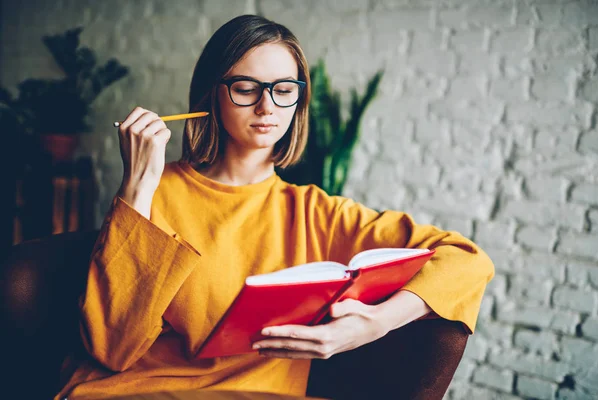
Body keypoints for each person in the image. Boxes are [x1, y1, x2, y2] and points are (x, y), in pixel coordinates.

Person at [56, 14, 494, 400]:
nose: (267, 106)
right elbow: (110, 348)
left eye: (283, 89)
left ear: (299, 99)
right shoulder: (155, 189)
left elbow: (467, 261)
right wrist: (137, 185)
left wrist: (374, 323)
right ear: (213, 94)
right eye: (246, 88)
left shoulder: (316, 213)